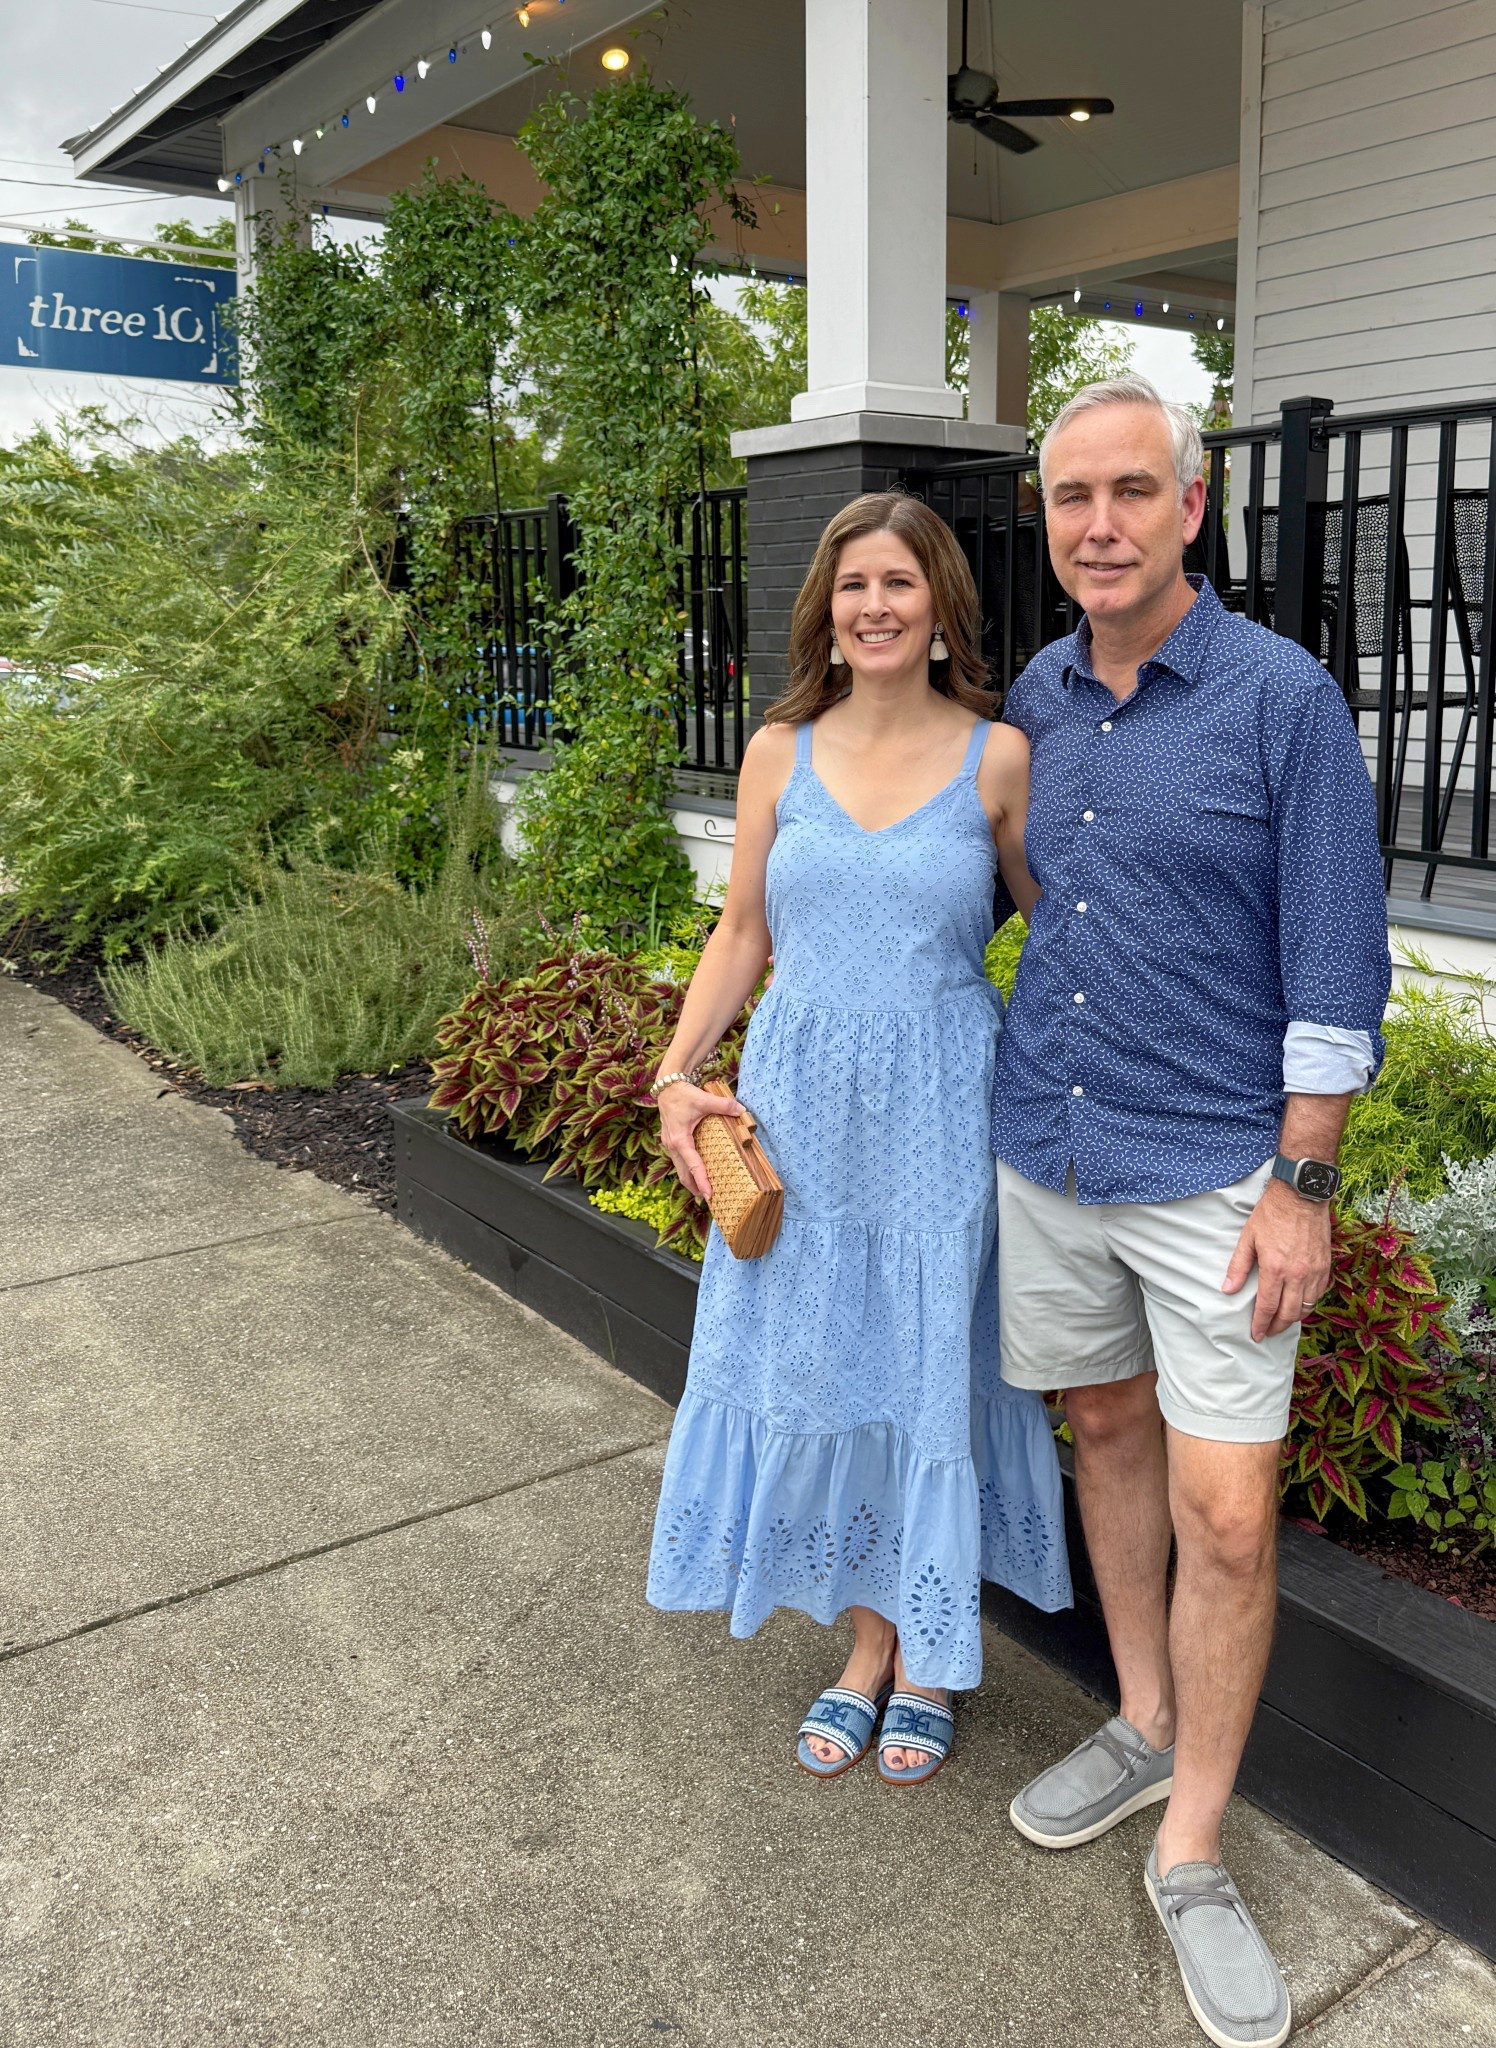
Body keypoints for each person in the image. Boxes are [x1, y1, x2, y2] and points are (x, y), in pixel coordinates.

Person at [995, 376, 1390, 2048]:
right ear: (1050, 517)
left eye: (1133, 493)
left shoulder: (1282, 699)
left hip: (1223, 1172)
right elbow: (1034, 889)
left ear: (1193, 509)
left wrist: (1305, 1184)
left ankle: (1197, 1846)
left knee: (1231, 1515)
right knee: (1104, 1433)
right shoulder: (1038, 692)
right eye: (1074, 495)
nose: (1102, 523)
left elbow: (1338, 957)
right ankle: (1143, 1714)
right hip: (1053, 1146)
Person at [645, 491, 1071, 1784]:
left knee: (925, 1356)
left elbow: (1055, 939)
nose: (874, 606)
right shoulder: (781, 749)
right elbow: (742, 936)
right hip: (801, 1100)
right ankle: (867, 1646)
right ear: (824, 611)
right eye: (851, 586)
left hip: (942, 1098)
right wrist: (675, 1075)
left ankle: (920, 1653)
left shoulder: (1000, 757)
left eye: (898, 583)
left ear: (942, 606)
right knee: (827, 1359)